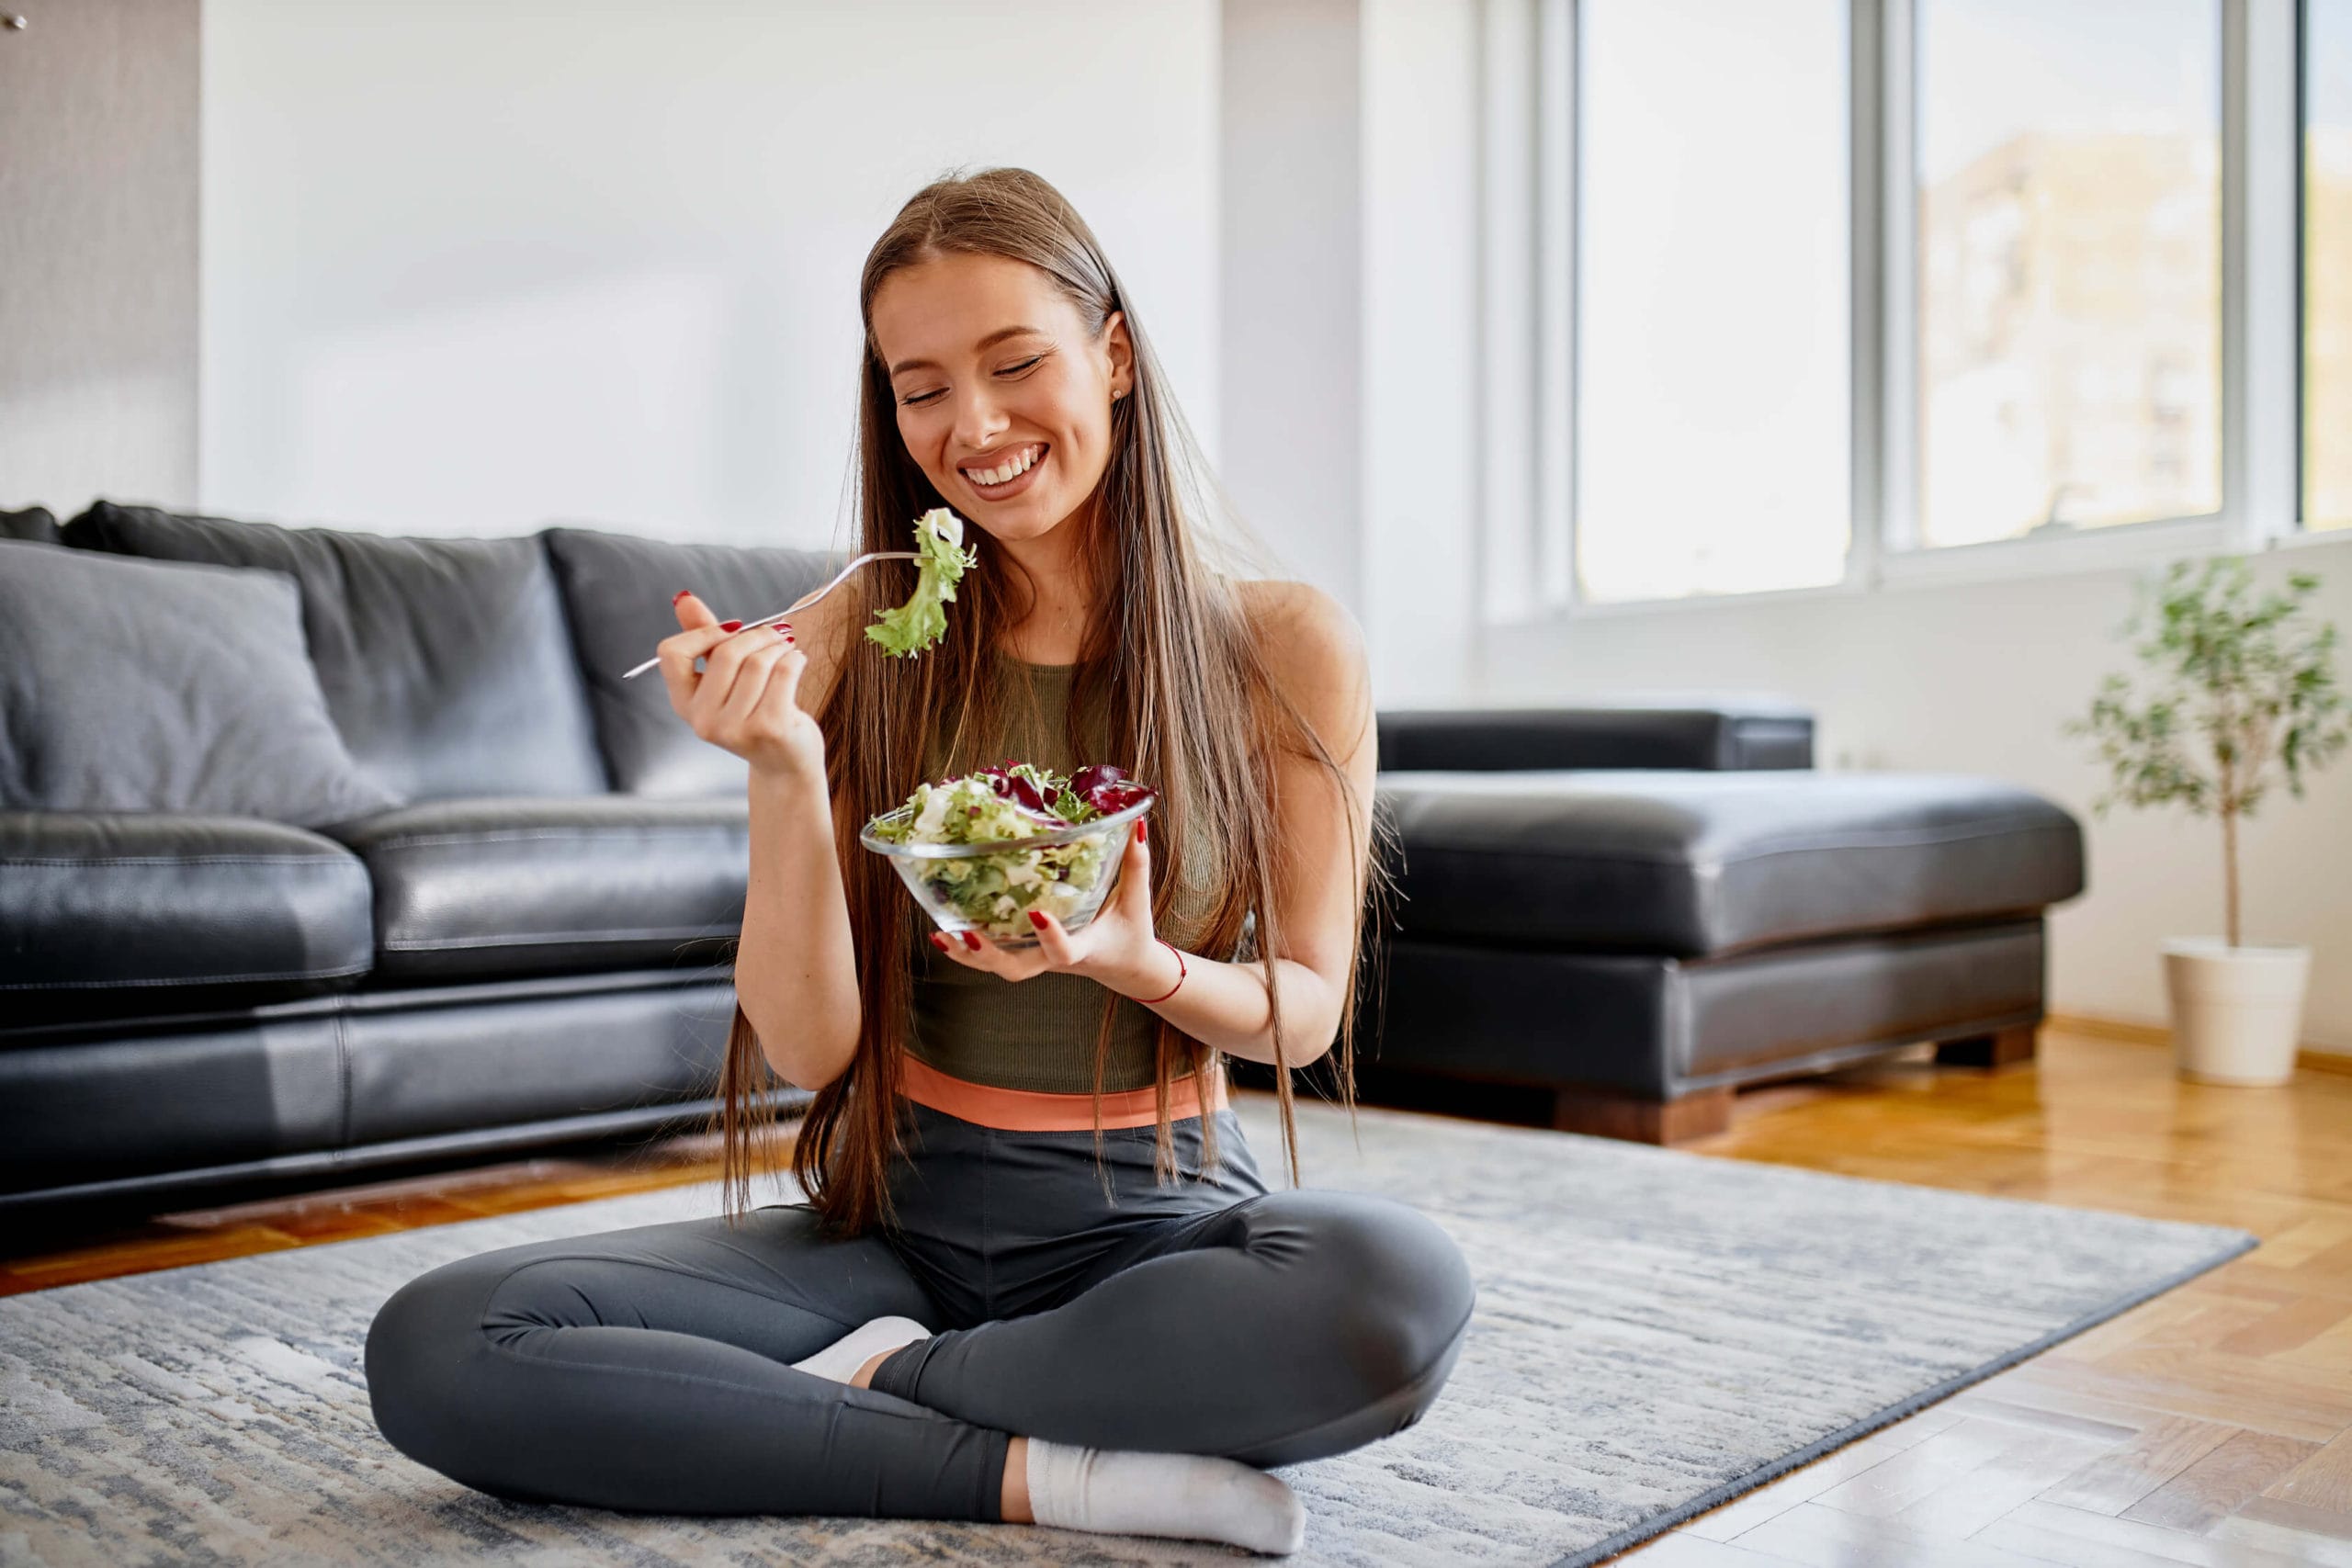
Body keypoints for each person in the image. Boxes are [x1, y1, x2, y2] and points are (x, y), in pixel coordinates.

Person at [363, 165, 1476, 1557]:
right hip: (898, 1222)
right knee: (441, 1342)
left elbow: (1304, 1014)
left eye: (1016, 366)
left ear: (1113, 356)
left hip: (1159, 1226)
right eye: (922, 386)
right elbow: (815, 1047)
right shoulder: (872, 626)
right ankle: (1038, 1472)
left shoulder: (1283, 647)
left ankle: (878, 1389)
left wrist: (1141, 962)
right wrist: (785, 767)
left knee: (1396, 1295)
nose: (975, 426)